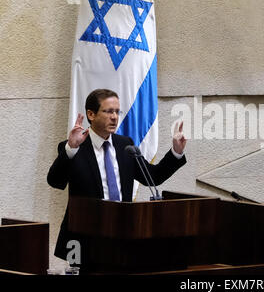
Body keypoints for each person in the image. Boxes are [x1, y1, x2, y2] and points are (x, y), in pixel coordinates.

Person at [47, 88, 187, 265]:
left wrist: (176, 152)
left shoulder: (125, 145)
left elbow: (153, 177)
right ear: (91, 114)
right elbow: (55, 181)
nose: (114, 117)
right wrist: (71, 149)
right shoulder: (74, 148)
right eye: (108, 111)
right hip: (86, 238)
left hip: (124, 234)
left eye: (117, 111)